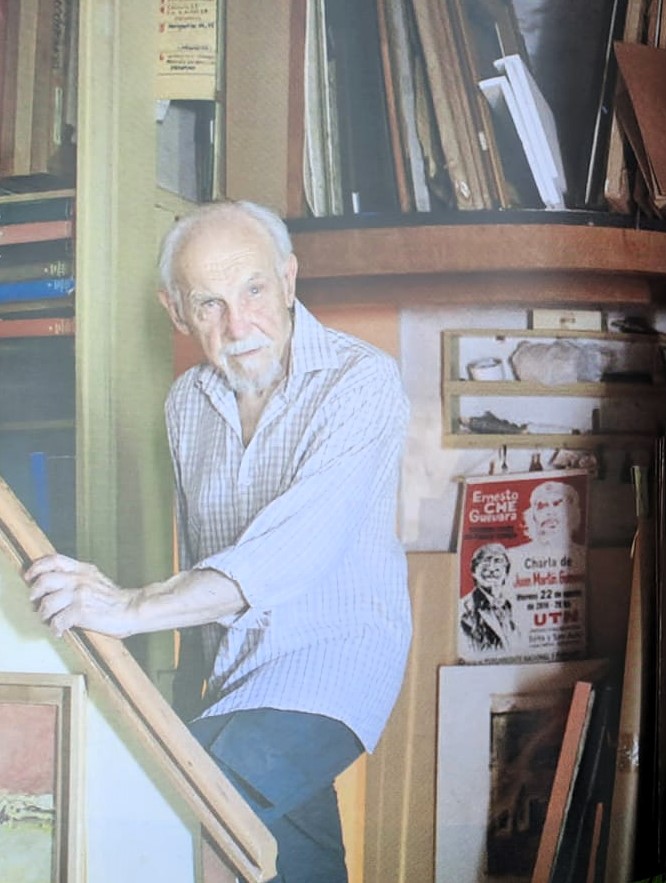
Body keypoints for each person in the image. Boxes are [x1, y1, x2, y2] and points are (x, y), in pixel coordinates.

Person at [24, 200, 412, 883]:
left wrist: (129, 606)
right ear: (176, 311)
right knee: (290, 863)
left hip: (330, 675)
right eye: (209, 303)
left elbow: (291, 553)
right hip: (234, 681)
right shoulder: (186, 404)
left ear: (288, 280)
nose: (238, 325)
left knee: (157, 809)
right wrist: (184, 689)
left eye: (254, 290)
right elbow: (201, 549)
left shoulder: (362, 382)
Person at [459, 542, 518, 654]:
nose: (491, 568)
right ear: (474, 571)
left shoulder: (509, 606)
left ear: (506, 573)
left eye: (498, 561)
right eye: (486, 561)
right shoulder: (464, 608)